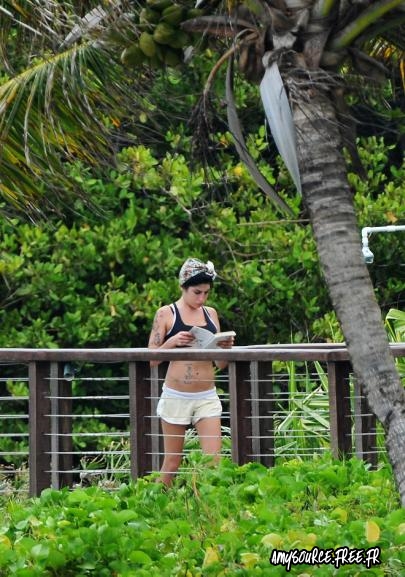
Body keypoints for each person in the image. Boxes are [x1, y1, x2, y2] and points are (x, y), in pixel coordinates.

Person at [148, 258, 234, 486]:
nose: (201, 299)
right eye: (197, 293)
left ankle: (211, 503)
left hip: (206, 395)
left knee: (214, 462)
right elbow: (151, 359)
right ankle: (155, 501)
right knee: (172, 462)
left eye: (206, 293)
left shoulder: (211, 314)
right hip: (176, 395)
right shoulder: (166, 314)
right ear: (183, 287)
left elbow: (220, 364)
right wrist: (172, 342)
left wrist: (224, 348)